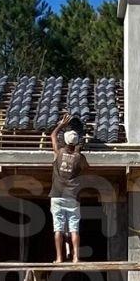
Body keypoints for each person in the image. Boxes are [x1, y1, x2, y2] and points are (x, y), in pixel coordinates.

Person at [48, 113, 86, 264]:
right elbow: (84, 167)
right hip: (72, 197)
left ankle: (59, 258)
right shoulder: (79, 157)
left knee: (58, 228)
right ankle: (76, 258)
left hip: (57, 196)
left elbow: (52, 135)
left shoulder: (59, 153)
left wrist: (61, 125)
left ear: (64, 141)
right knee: (74, 228)